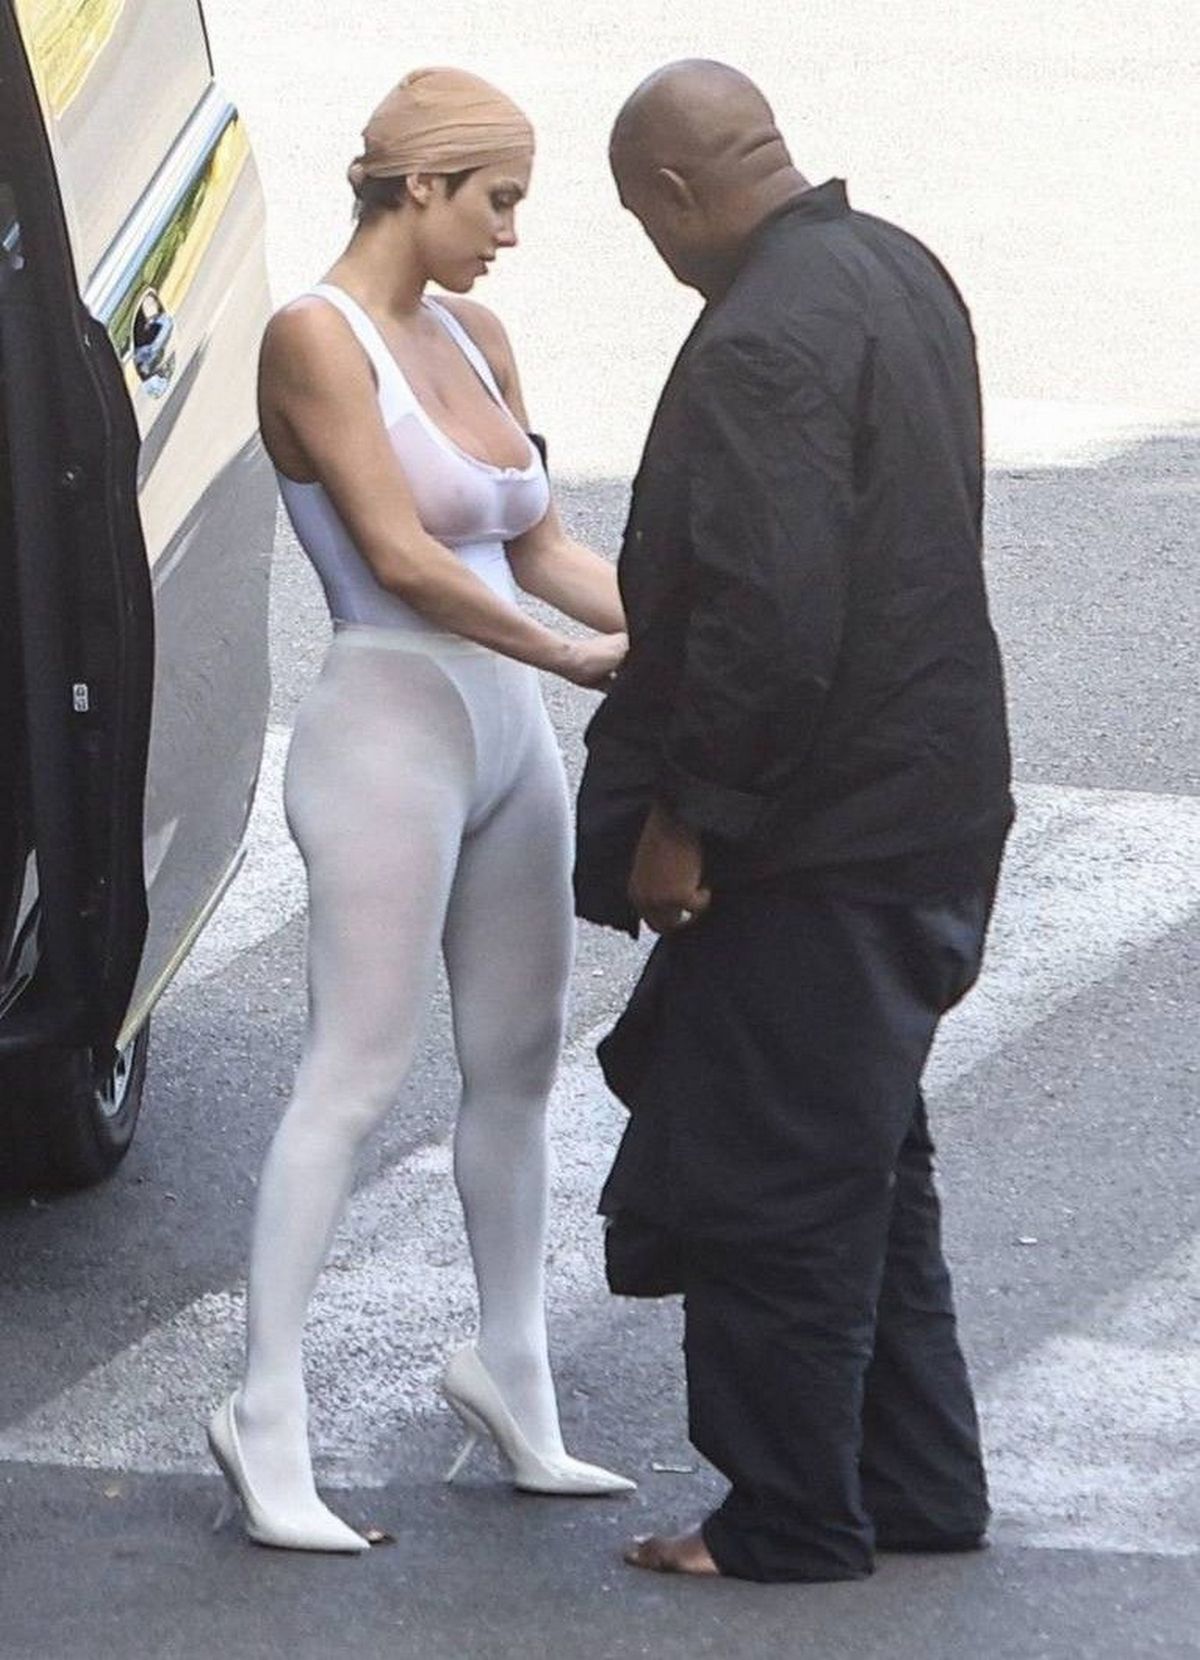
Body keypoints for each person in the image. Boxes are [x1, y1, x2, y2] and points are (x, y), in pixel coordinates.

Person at [573, 61, 1014, 1583]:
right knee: (866, 1162)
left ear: (676, 191)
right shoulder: (895, 266)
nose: (655, 249)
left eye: (643, 221)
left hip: (820, 839)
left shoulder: (762, 336)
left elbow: (770, 614)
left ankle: (790, 1519)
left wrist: (690, 818)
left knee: (774, 1187)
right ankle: (916, 1484)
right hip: (932, 806)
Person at [207, 66, 635, 1554]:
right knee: (356, 1072)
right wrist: (573, 657)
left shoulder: (476, 332)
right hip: (388, 727)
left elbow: (547, 543)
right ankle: (265, 1410)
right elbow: (399, 556)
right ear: (418, 186)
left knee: (516, 1067)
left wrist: (680, 632)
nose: (510, 232)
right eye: (496, 200)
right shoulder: (313, 338)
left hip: (508, 735)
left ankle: (512, 1377)